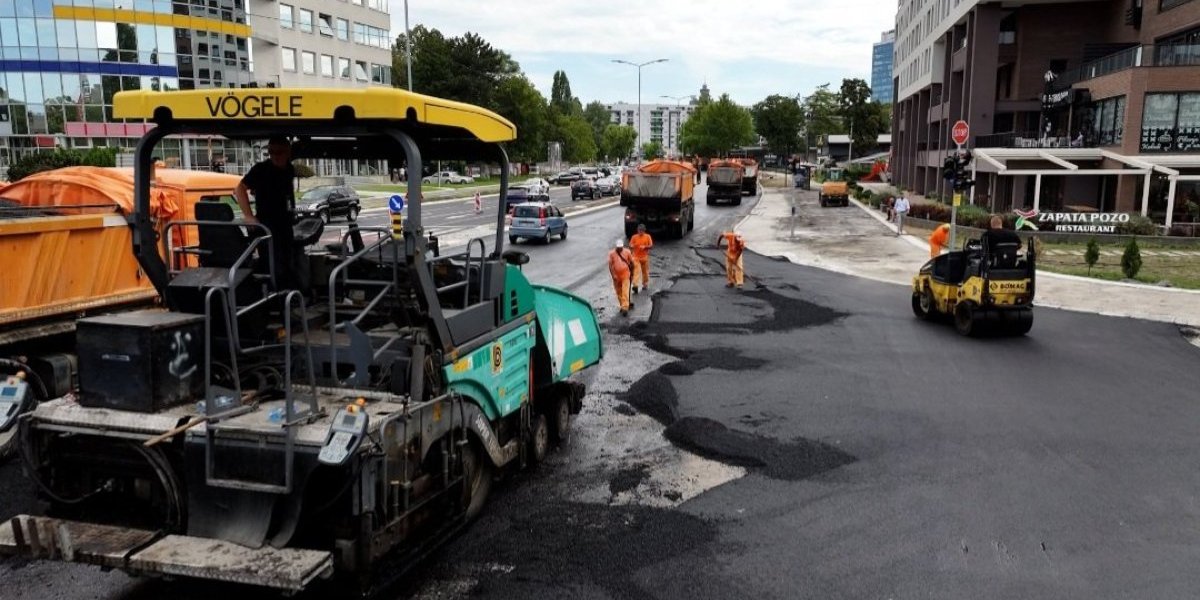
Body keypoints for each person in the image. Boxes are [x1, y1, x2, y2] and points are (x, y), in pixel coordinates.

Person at [235, 136, 297, 288]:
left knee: (288, 262)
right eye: (271, 152)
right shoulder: (261, 169)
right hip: (267, 226)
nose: (275, 156)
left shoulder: (289, 169)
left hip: (285, 226)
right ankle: (275, 299)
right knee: (273, 266)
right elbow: (239, 188)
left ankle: (288, 297)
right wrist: (248, 215)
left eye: (279, 152)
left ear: (288, 152)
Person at [607, 238, 635, 316]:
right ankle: (622, 305)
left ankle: (625, 308)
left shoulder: (627, 252)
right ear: (616, 247)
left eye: (621, 247)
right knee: (619, 292)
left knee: (625, 291)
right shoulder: (611, 254)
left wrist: (632, 273)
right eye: (618, 247)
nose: (620, 249)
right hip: (616, 276)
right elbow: (610, 266)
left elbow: (632, 263)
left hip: (626, 274)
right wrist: (613, 276)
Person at [629, 224, 654, 294]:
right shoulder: (634, 237)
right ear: (637, 230)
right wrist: (632, 245)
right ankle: (635, 285)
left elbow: (651, 246)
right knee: (636, 271)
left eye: (642, 231)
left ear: (644, 231)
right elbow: (630, 245)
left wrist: (645, 247)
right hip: (635, 257)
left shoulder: (647, 236)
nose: (640, 232)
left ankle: (645, 284)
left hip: (644, 257)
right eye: (639, 231)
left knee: (645, 271)